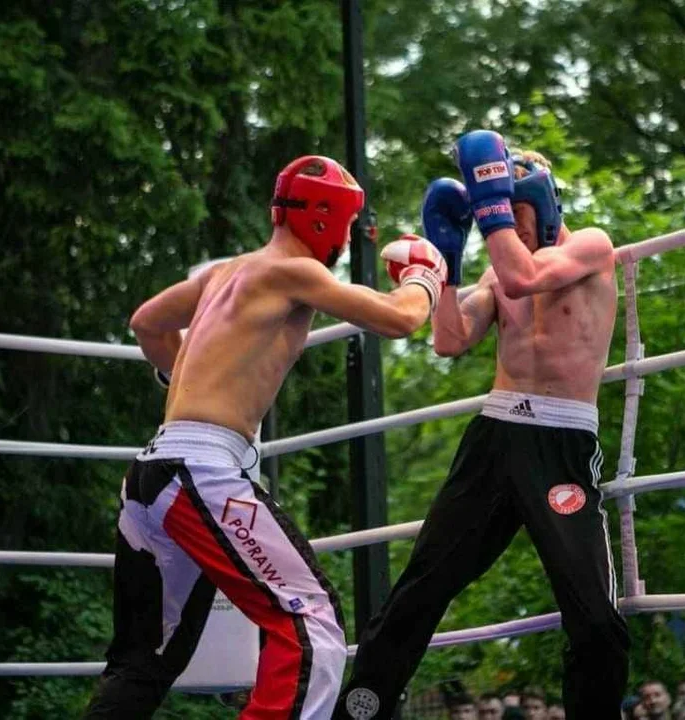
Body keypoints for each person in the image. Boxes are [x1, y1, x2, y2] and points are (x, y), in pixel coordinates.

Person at [82, 155, 447, 719]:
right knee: (310, 624)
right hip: (202, 473)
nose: (348, 239)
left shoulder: (222, 273)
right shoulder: (296, 271)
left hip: (152, 476)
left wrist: (190, 378)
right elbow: (400, 319)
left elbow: (147, 323)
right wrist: (426, 273)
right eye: (348, 225)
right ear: (326, 218)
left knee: (143, 661)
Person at [333, 130, 625, 720]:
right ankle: (360, 711)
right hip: (494, 439)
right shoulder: (498, 271)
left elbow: (525, 276)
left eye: (515, 211)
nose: (506, 228)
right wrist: (446, 265)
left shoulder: (590, 246)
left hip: (561, 442)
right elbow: (448, 340)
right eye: (499, 212)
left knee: (593, 614)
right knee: (420, 589)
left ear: (544, 203)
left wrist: (489, 211)